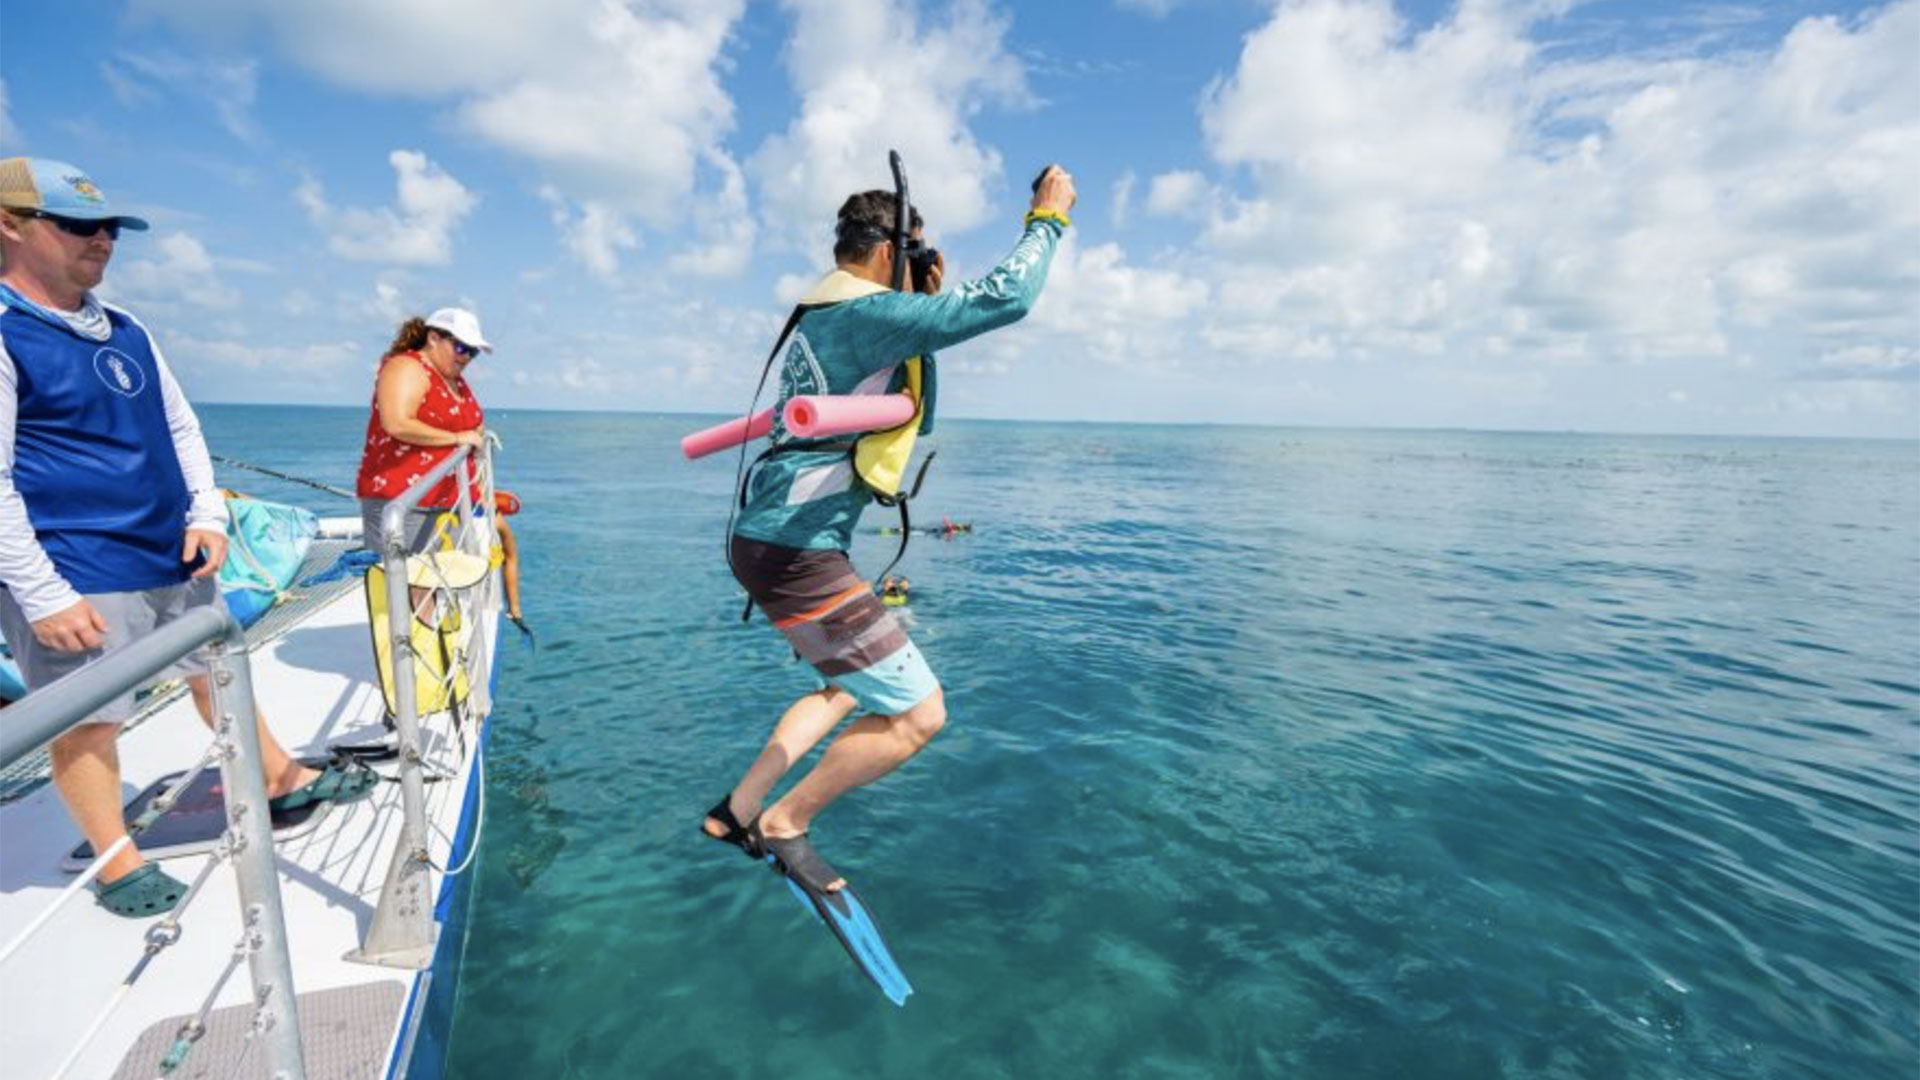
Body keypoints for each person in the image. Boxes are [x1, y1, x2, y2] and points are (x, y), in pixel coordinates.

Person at [0, 157, 374, 918]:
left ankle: (274, 778)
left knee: (217, 671)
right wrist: (42, 594)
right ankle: (115, 863)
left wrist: (205, 513)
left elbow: (178, 425)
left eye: (109, 228)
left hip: (170, 549)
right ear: (10, 225)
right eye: (77, 226)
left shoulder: (127, 328)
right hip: (76, 565)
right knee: (87, 716)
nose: (102, 241)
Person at [703, 164, 1077, 896]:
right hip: (798, 551)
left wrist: (920, 297)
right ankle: (784, 822)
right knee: (920, 715)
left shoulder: (826, 316)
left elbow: (913, 401)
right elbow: (1007, 298)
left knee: (844, 689)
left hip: (767, 540)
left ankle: (738, 810)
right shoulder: (867, 316)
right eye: (916, 254)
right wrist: (1047, 219)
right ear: (886, 255)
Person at [354, 307, 490, 557]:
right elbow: (397, 423)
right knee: (405, 587)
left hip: (450, 502)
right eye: (460, 347)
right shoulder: (406, 367)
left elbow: (465, 421)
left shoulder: (451, 376)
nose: (466, 357)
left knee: (441, 586)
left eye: (473, 352)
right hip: (407, 501)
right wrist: (457, 438)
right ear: (433, 338)